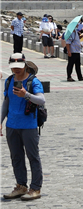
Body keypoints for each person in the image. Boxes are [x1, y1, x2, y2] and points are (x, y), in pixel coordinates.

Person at [1, 54, 46, 201]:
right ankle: (21, 186)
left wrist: (26, 94)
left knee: (33, 156)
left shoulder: (33, 81)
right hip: (12, 125)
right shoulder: (9, 81)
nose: (16, 69)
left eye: (19, 67)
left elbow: (41, 100)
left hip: (28, 125)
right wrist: (0, 121)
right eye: (13, 67)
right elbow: (6, 102)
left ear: (25, 65)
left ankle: (35, 188)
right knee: (16, 157)